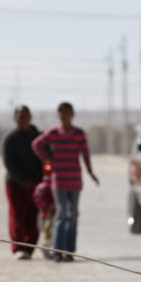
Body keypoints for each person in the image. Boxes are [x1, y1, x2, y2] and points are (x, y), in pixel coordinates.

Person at [31, 102, 99, 262]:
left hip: (74, 180)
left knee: (73, 215)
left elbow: (86, 154)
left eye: (67, 112)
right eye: (62, 113)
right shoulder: (54, 133)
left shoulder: (79, 134)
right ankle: (57, 250)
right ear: (58, 115)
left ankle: (70, 251)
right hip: (59, 181)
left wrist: (90, 172)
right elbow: (36, 144)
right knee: (61, 214)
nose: (64, 115)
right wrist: (47, 159)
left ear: (72, 114)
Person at [2, 105, 44, 260]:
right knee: (17, 215)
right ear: (15, 118)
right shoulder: (10, 138)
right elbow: (8, 162)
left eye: (26, 115)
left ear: (30, 117)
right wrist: (24, 180)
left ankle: (30, 247)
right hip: (15, 183)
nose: (23, 118)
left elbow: (45, 159)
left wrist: (37, 178)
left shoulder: (39, 137)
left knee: (33, 216)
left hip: (37, 184)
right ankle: (18, 247)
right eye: (20, 116)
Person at [32, 159, 55, 259]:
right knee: (48, 234)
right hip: (47, 216)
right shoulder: (44, 187)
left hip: (53, 214)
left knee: (51, 234)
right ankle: (45, 248)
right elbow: (37, 199)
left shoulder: (51, 186)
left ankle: (49, 249)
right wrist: (47, 207)